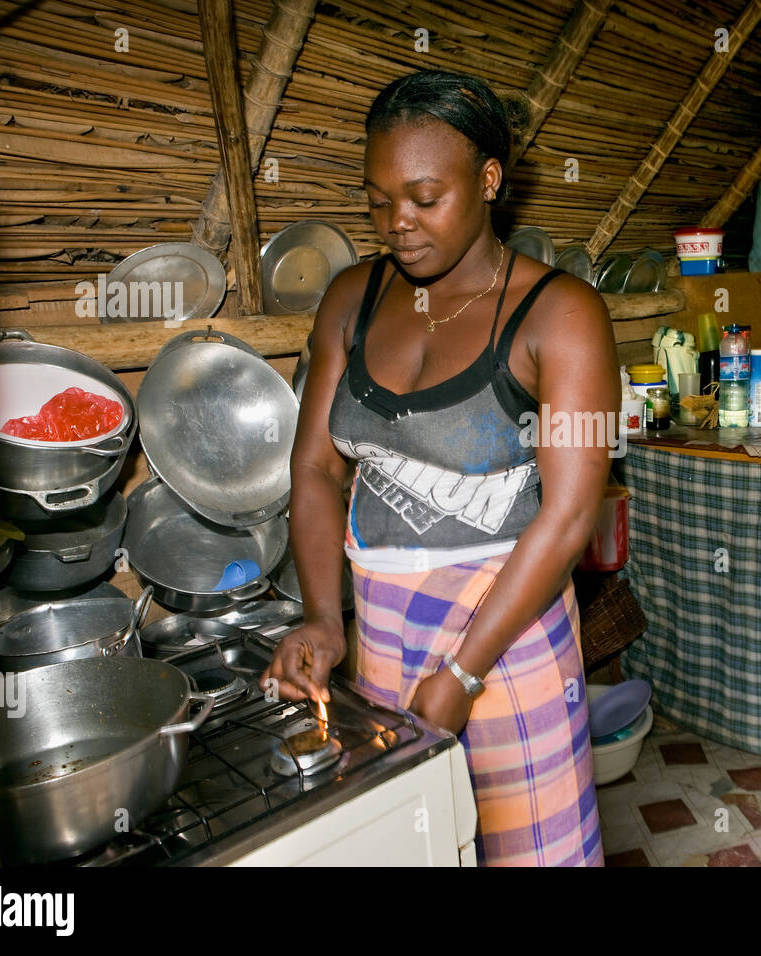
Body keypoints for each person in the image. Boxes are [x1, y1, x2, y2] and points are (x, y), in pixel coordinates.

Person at [260, 69, 617, 866]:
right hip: (384, 639)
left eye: (425, 197)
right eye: (379, 200)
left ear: (489, 180)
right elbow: (316, 468)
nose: (400, 223)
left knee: (530, 850)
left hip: (508, 644)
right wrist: (324, 616)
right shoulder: (351, 299)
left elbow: (566, 518)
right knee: (413, 846)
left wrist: (462, 673)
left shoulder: (562, 316)